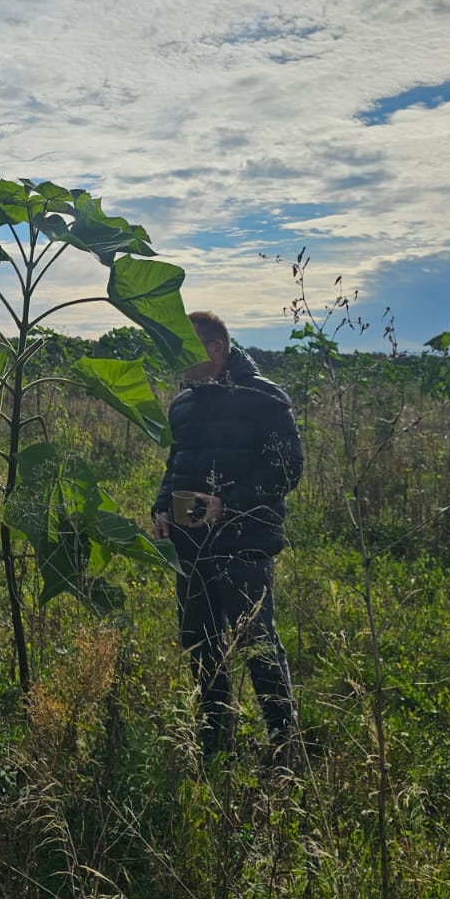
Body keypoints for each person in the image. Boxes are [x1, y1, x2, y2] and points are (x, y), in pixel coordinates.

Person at [151, 310, 303, 765]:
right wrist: (161, 507)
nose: (176, 358)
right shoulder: (184, 402)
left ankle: (286, 749)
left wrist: (228, 503)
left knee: (256, 642)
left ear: (217, 349)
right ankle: (216, 743)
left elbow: (287, 469)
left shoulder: (263, 398)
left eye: (185, 348)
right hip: (190, 543)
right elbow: (176, 461)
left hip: (245, 538)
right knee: (201, 640)